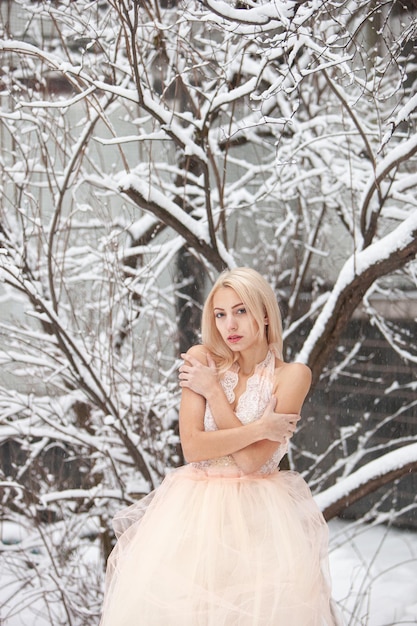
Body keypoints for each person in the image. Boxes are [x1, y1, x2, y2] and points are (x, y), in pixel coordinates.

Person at [99, 267, 341, 626]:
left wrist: (213, 393)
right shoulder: (202, 360)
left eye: (241, 311)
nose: (230, 325)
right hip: (193, 516)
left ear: (263, 313)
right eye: (221, 314)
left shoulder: (293, 376)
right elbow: (193, 447)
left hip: (261, 520)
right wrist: (259, 425)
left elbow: (252, 461)